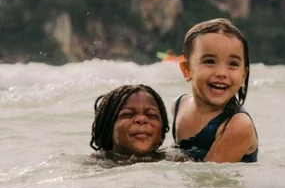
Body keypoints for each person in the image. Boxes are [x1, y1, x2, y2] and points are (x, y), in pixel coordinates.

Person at [172, 18, 258, 163]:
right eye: (209, 61)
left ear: (243, 75)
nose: (222, 73)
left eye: (233, 64)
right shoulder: (179, 105)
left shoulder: (238, 125)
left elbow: (209, 178)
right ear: (187, 70)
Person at [90, 84, 184, 163]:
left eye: (151, 115)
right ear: (108, 129)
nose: (142, 119)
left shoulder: (176, 161)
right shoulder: (97, 163)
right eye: (127, 114)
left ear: (162, 133)